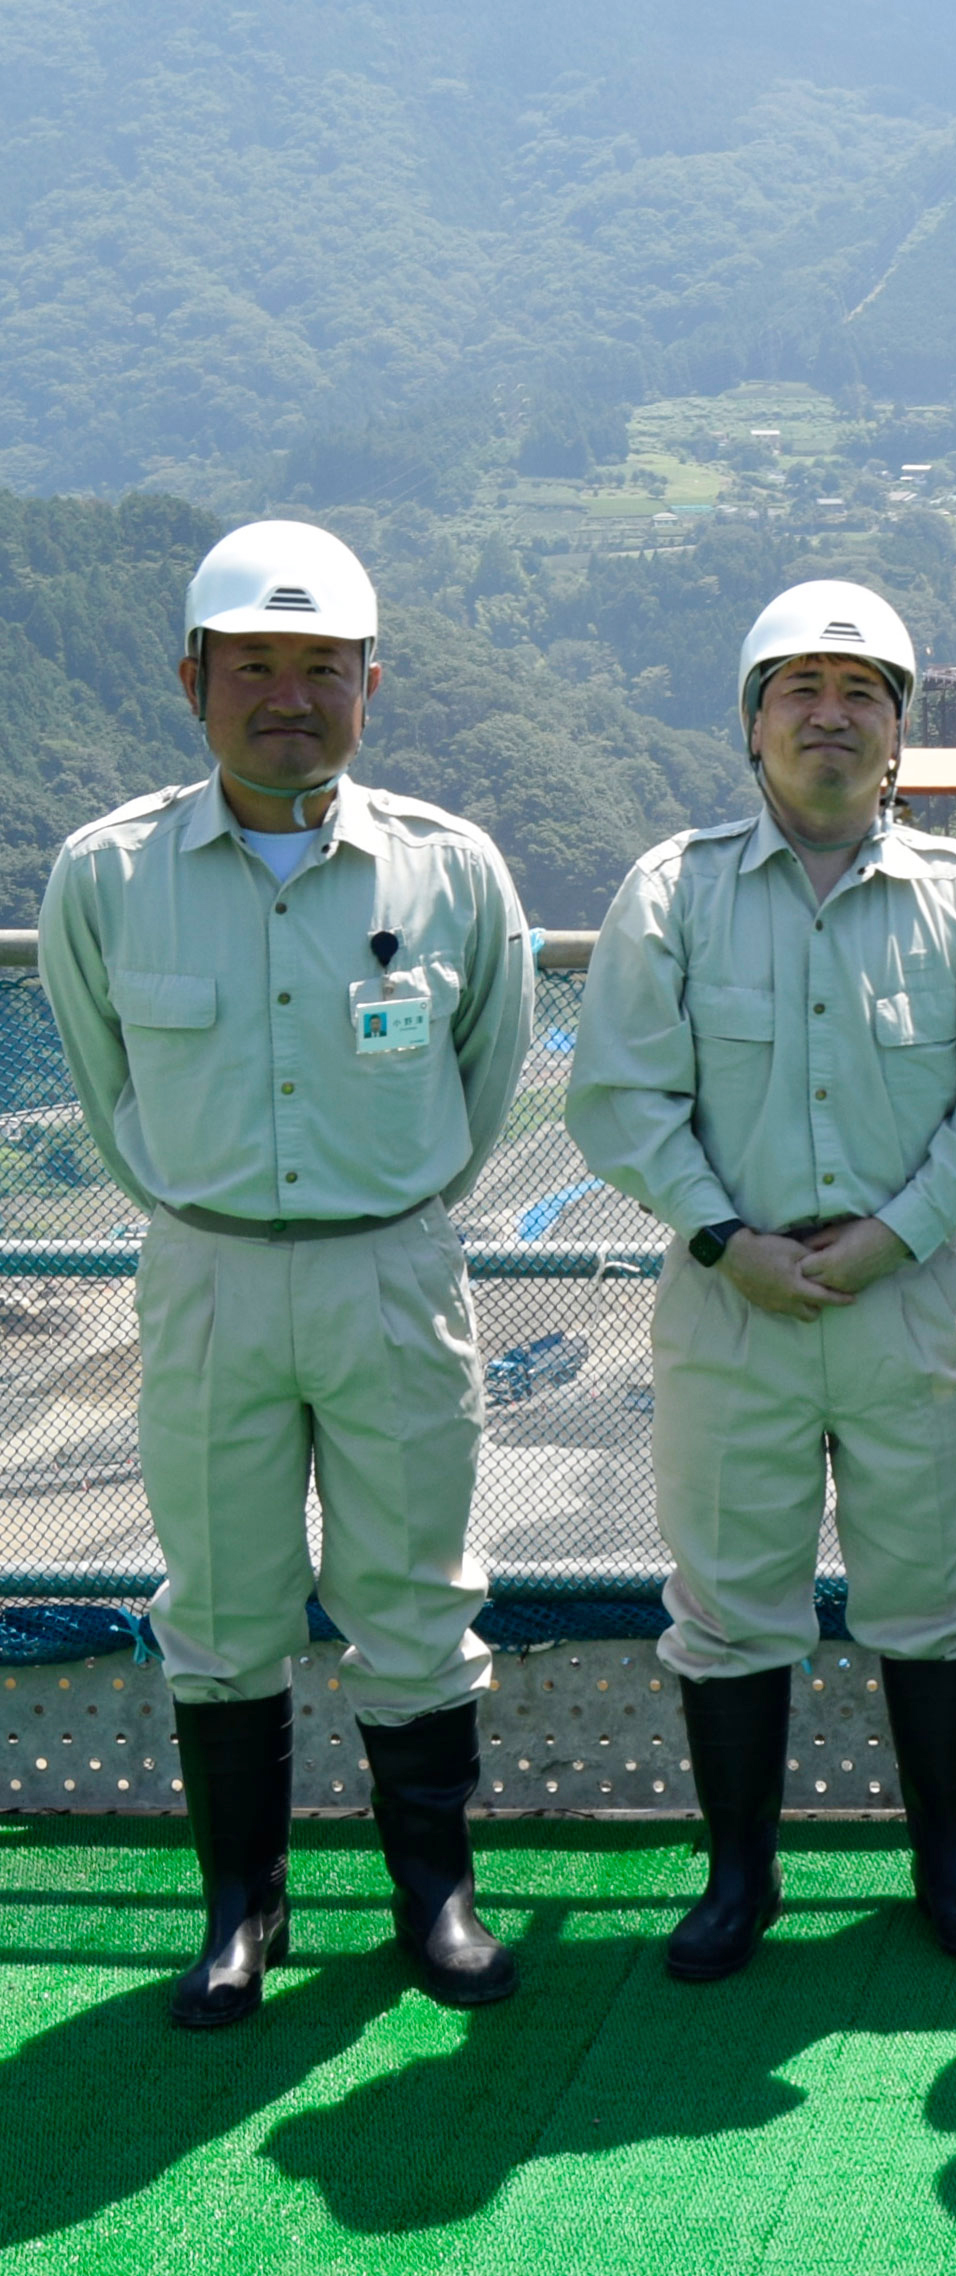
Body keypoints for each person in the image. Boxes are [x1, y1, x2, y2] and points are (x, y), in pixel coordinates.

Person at [39, 521, 535, 2027]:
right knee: (224, 1595)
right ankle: (241, 1906)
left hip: (394, 1267)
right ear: (192, 680)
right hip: (206, 1278)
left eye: (323, 667)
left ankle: (432, 1897)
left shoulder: (450, 870)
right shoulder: (109, 875)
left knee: (414, 1590)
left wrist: (387, 1209)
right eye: (253, 664)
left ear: (371, 687)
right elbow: (104, 1086)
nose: (288, 696)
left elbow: (489, 1071)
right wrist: (211, 1217)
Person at [567, 581, 956, 1981]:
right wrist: (729, 1240)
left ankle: (949, 1865)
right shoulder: (673, 893)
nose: (831, 717)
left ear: (901, 733)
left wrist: (889, 1239)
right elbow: (623, 1098)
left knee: (939, 1589)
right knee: (729, 1599)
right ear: (752, 722)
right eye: (801, 689)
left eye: (864, 693)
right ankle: (741, 1879)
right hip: (732, 1297)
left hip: (905, 1294)